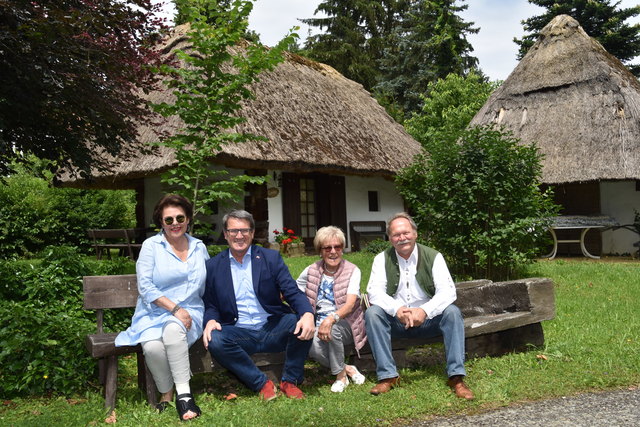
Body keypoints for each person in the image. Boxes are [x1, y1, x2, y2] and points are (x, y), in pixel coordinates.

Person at [202, 210, 315, 400]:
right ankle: (261, 383)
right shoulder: (213, 266)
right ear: (225, 233)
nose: (239, 236)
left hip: (273, 328)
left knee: (302, 319)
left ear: (252, 233)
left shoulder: (270, 258)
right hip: (240, 333)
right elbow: (211, 303)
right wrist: (211, 320)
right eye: (234, 231)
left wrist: (308, 314)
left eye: (245, 230)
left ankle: (290, 380)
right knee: (215, 338)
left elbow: (292, 291)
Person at [115, 194, 209, 420]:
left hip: (190, 312)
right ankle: (166, 394)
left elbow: (210, 282)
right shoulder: (151, 246)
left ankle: (184, 396)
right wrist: (175, 309)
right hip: (154, 311)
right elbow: (145, 286)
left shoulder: (199, 247)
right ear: (161, 222)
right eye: (169, 220)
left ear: (187, 220)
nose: (175, 223)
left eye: (180, 218)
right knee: (152, 348)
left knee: (172, 330)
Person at [364, 212, 474, 400]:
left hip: (428, 321)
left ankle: (456, 377)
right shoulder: (381, 259)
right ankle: (388, 376)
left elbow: (448, 292)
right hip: (397, 322)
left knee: (453, 313)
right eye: (396, 235)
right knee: (373, 313)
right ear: (390, 239)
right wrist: (397, 310)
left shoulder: (434, 257)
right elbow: (374, 292)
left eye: (406, 233)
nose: (402, 238)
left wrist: (425, 310)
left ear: (415, 234)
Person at [296, 226, 367, 393]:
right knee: (311, 344)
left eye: (338, 247)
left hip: (346, 323)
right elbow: (293, 291)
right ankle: (347, 369)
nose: (333, 252)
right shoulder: (311, 270)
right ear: (320, 251)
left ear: (342, 249)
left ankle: (340, 377)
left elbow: (349, 305)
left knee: (333, 330)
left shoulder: (352, 270)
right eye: (327, 248)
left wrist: (330, 319)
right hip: (318, 321)